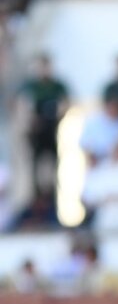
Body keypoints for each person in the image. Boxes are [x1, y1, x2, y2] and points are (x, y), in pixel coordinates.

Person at [17, 53, 69, 202]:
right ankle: (35, 201)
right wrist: (30, 120)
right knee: (34, 169)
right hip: (35, 133)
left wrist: (57, 114)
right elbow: (20, 104)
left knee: (53, 168)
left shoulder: (57, 85)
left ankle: (52, 201)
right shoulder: (30, 86)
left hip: (52, 131)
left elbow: (65, 104)